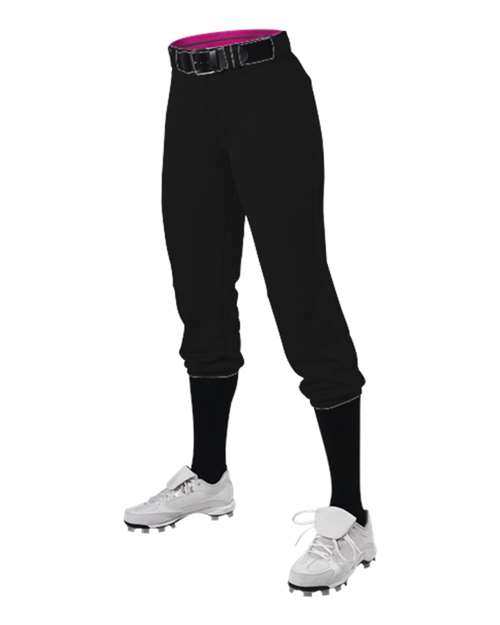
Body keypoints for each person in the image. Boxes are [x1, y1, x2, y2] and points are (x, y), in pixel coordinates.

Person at [124, 29, 376, 595]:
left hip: (265, 87)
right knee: (199, 289)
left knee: (299, 289)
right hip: (187, 90)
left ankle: (351, 516)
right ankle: (209, 475)